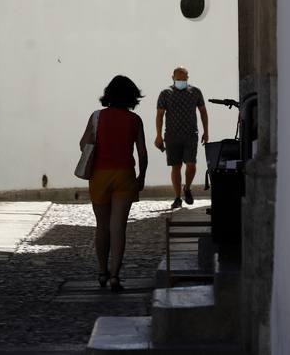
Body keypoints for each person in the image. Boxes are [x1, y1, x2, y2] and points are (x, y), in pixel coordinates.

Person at [79, 75, 148, 292]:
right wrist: (141, 177)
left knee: (102, 226)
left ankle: (102, 272)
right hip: (125, 175)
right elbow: (143, 153)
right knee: (118, 227)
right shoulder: (134, 121)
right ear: (131, 97)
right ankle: (115, 276)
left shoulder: (97, 117)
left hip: (99, 175)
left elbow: (83, 145)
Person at [155, 66, 209, 209]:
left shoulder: (195, 92)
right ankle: (178, 196)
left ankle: (187, 188)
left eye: (184, 79)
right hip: (172, 135)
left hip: (191, 134)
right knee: (176, 166)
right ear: (172, 78)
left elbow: (203, 111)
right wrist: (158, 135)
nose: (181, 81)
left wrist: (206, 131)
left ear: (187, 78)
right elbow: (160, 115)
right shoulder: (165, 93)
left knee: (191, 164)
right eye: (179, 79)